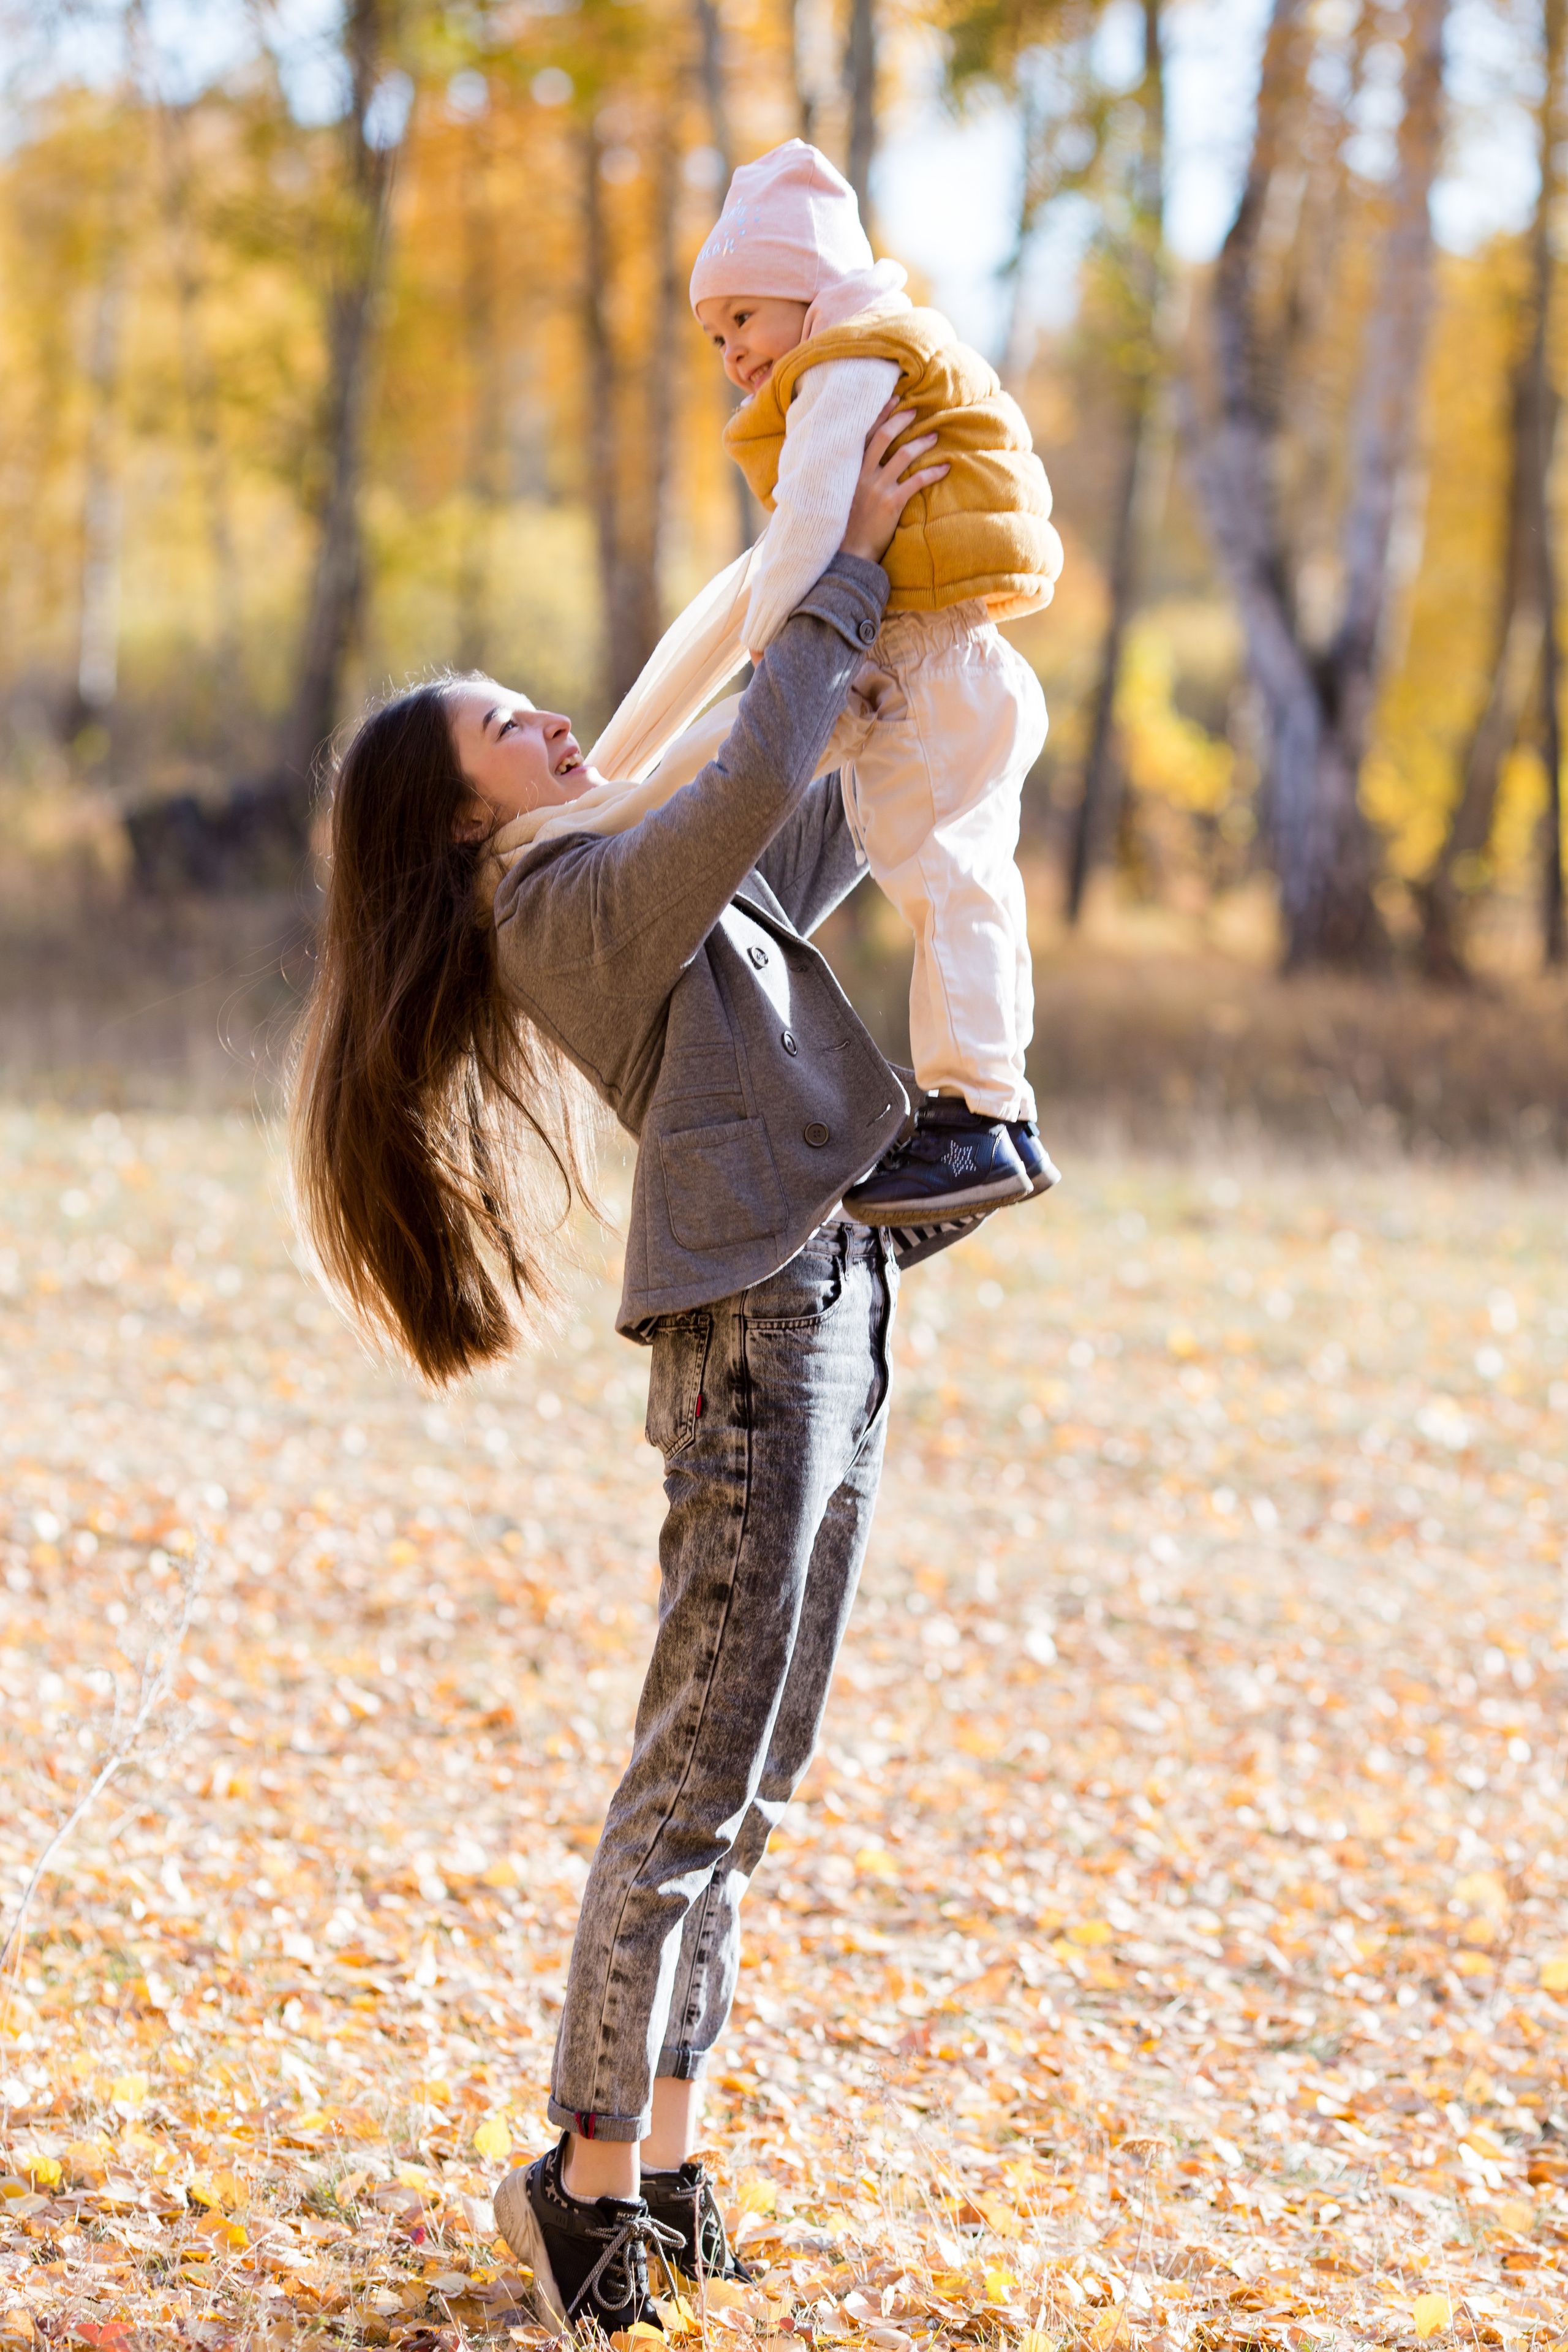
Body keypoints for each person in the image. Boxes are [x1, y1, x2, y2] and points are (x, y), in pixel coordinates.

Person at [288, 412, 1002, 2335]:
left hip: (840, 1291)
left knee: (753, 1784)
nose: (561, 730)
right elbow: (750, 756)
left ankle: (670, 2166)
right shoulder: (560, 911)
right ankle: (583, 2185)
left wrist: (924, 661)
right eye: (514, 732)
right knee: (689, 1779)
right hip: (752, 1339)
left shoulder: (624, 861)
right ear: (464, 821)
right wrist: (830, 559)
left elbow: (812, 811)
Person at [582, 140, 1065, 1226]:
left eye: (743, 320)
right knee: (961, 881)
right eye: (714, 336)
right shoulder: (877, 345)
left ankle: (974, 1119)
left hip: (933, 672)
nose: (731, 354)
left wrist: (775, 641)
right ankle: (1002, 1113)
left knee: (942, 883)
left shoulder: (847, 360)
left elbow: (809, 514)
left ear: (808, 290)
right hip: (947, 663)